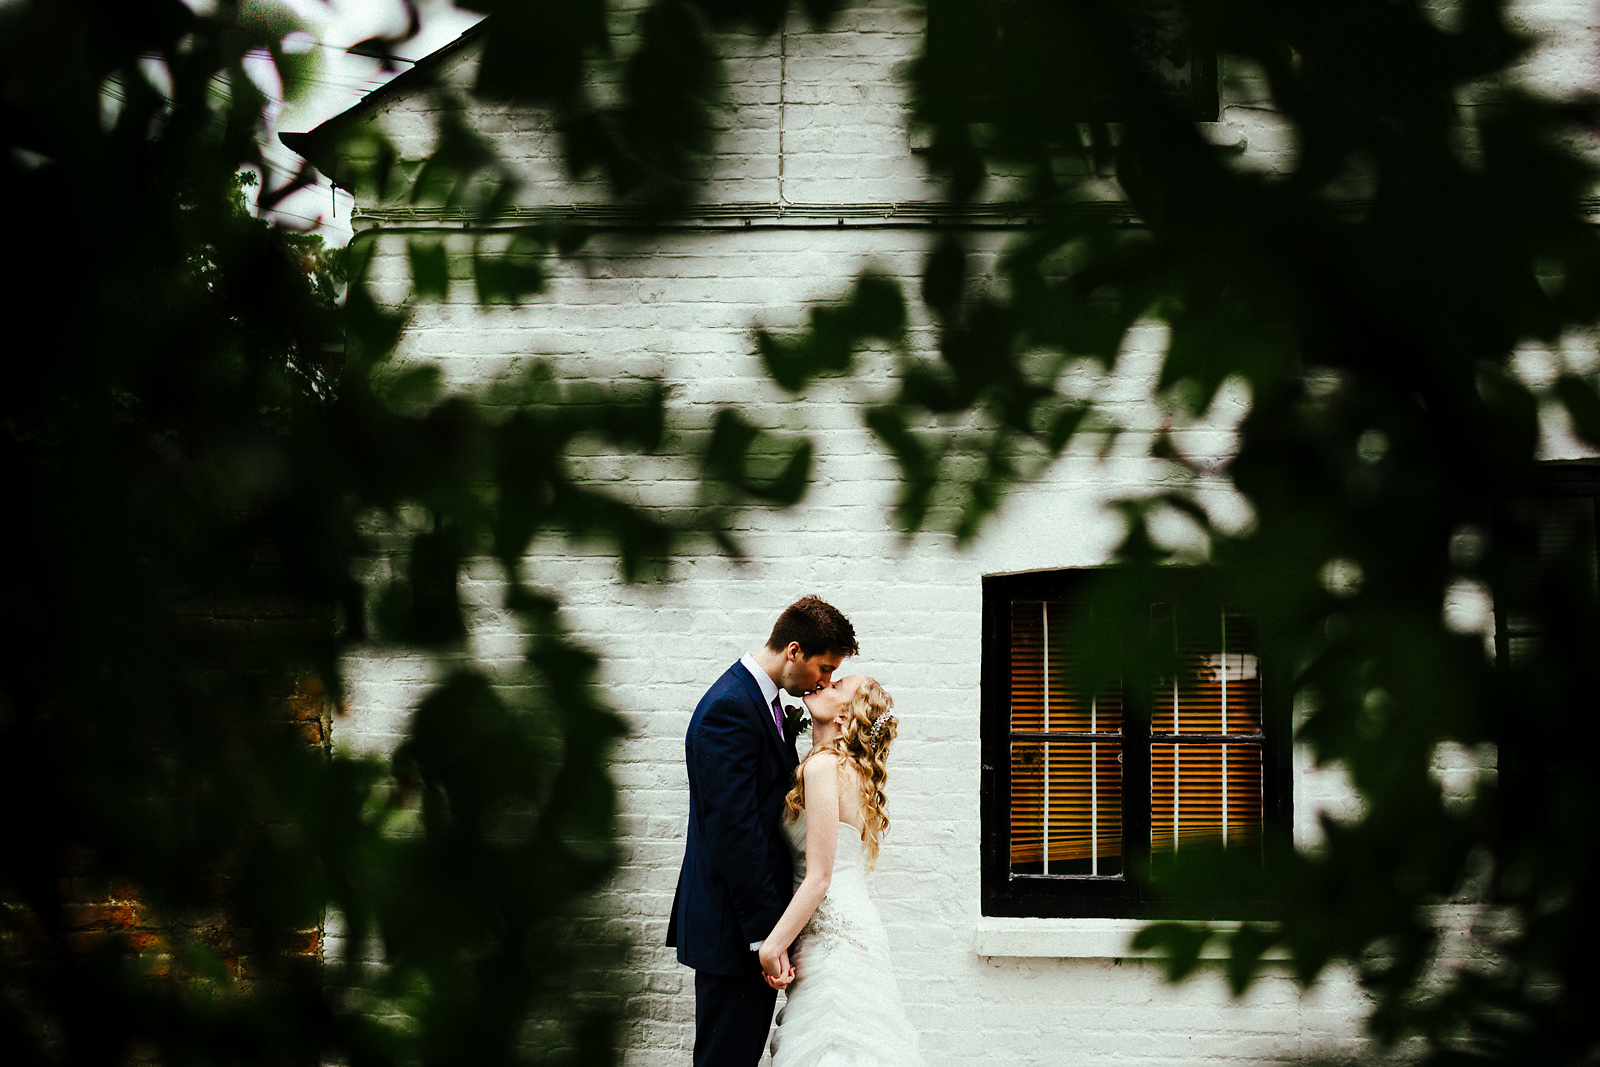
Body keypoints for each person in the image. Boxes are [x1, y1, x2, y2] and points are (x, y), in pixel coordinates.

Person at [667, 596, 860, 1067]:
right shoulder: (729, 708)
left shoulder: (763, 703)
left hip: (749, 928)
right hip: (735, 931)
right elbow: (735, 833)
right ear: (794, 651)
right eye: (824, 667)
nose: (826, 681)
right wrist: (764, 937)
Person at [761, 675, 925, 1067]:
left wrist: (771, 947)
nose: (821, 683)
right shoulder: (852, 771)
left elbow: (819, 878)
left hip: (832, 940)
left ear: (844, 715)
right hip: (855, 928)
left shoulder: (823, 768)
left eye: (835, 686)